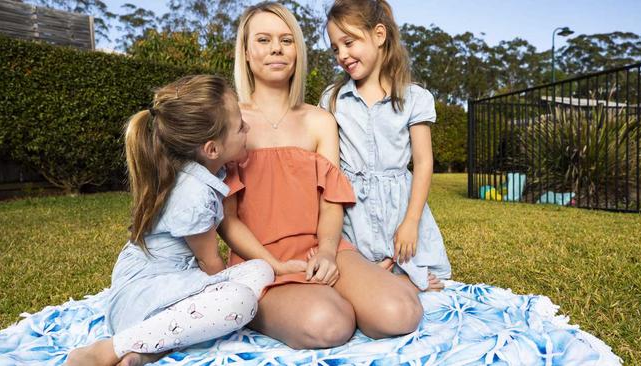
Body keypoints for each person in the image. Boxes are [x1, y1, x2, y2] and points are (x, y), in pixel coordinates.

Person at [217, 1, 423, 350]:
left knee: (401, 313)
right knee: (330, 324)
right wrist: (276, 266)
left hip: (322, 249)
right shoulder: (230, 122)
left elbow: (331, 203)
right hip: (261, 260)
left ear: (298, 50)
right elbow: (227, 219)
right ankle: (251, 307)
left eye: (286, 40)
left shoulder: (320, 120)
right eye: (263, 40)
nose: (276, 49)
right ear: (246, 53)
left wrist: (328, 251)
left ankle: (358, 290)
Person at [64, 75, 274, 366]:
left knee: (260, 270)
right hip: (144, 300)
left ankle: (148, 349)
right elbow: (211, 266)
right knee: (241, 300)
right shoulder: (195, 194)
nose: (247, 128)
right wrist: (225, 297)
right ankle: (109, 349)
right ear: (212, 149)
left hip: (171, 287)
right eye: (240, 126)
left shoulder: (198, 175)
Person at [319, 0, 452, 292]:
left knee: (415, 269)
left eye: (349, 42)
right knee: (354, 276)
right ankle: (380, 279)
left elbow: (424, 162)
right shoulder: (333, 98)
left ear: (379, 35)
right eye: (335, 48)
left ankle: (403, 276)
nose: (342, 55)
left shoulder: (413, 98)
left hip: (399, 207)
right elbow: (325, 165)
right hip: (353, 210)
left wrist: (411, 221)